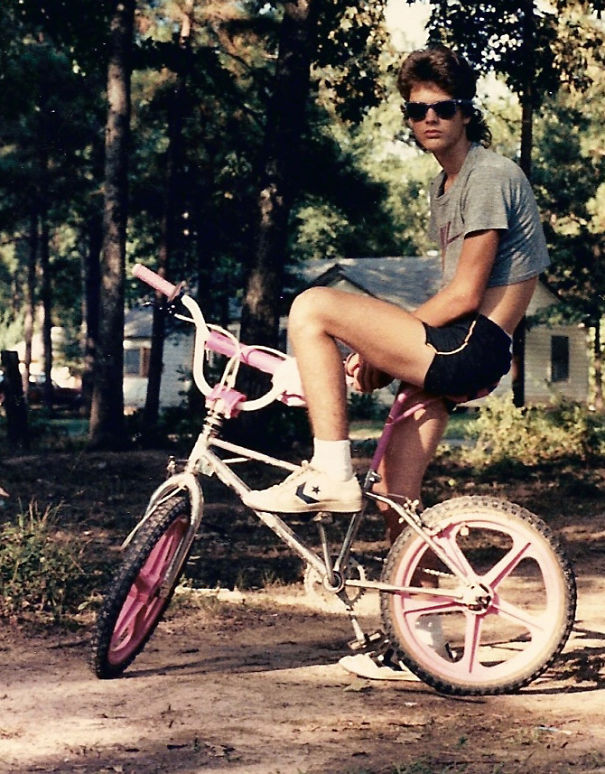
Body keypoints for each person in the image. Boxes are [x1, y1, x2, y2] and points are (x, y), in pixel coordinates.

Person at [243, 45, 550, 545]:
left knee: (313, 306)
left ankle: (331, 471)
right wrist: (385, 349)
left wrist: (376, 348)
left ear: (467, 111)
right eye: (417, 109)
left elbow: (466, 293)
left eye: (444, 107)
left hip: (471, 344)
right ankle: (419, 621)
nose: (430, 118)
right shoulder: (445, 184)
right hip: (458, 343)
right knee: (395, 497)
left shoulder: (489, 174)